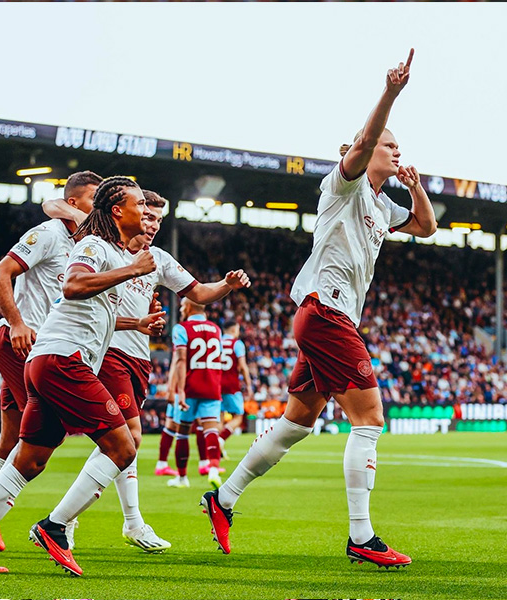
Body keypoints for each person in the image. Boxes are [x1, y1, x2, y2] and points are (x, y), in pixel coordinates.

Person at [201, 49, 435, 568]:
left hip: (328, 318)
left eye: (399, 147)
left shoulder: (380, 204)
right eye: (387, 146)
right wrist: (390, 94)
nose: (394, 151)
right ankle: (361, 537)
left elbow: (426, 227)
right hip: (325, 312)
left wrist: (417, 188)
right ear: (361, 148)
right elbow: (366, 142)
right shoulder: (343, 184)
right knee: (370, 417)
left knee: (297, 423)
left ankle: (222, 499)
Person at [0, 176, 163, 576]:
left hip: (51, 358)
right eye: (138, 204)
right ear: (118, 211)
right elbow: (74, 285)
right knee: (124, 447)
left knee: (29, 458)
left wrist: (138, 323)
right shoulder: (94, 246)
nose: (146, 213)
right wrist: (130, 269)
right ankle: (55, 527)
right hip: (64, 359)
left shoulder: (112, 250)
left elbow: (97, 312)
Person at [42, 189, 249, 552]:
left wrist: (227, 287)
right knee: (129, 437)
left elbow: (199, 293)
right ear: (130, 214)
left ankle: (116, 520)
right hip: (108, 351)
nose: (152, 225)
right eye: (148, 216)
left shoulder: (159, 259)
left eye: (158, 220)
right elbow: (54, 204)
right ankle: (66, 520)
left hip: (139, 358)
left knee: (121, 444)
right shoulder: (106, 247)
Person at [0, 170, 99, 551]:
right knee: (45, 434)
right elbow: (0, 274)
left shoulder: (84, 246)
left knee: (12, 438)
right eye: (95, 200)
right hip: (23, 343)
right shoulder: (48, 233)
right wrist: (16, 322)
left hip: (39, 347)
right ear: (74, 203)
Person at [167, 298, 225, 490]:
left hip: (191, 386)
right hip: (212, 385)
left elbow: (181, 359)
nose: (182, 309)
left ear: (189, 307)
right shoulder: (216, 329)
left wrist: (180, 390)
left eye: (183, 306)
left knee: (182, 432)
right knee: (211, 430)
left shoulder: (181, 329)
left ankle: (182, 478)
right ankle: (214, 469)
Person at [218, 320, 254, 454]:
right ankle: (220, 439)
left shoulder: (217, 342)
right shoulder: (237, 344)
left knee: (219, 417)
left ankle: (216, 449)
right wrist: (249, 385)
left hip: (216, 384)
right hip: (231, 384)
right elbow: (243, 366)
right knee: (239, 416)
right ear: (234, 330)